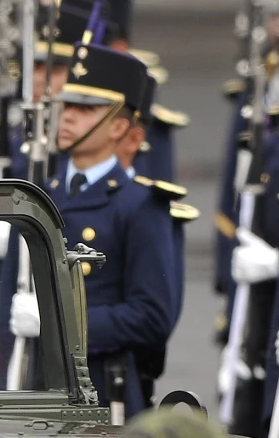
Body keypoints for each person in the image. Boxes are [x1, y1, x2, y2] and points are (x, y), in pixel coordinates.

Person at [12, 39, 183, 414]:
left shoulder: (138, 204)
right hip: (31, 380)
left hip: (103, 391)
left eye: (86, 109)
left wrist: (57, 321)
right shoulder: (37, 193)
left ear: (119, 126)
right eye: (67, 105)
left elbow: (151, 318)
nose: (68, 116)